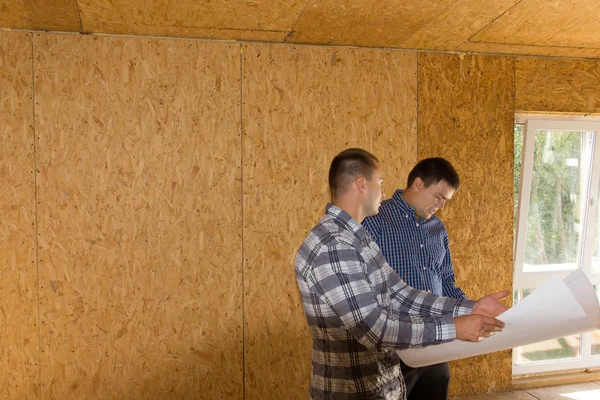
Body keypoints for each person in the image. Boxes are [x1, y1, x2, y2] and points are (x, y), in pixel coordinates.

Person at [295, 148, 508, 400]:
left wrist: (470, 309)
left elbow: (401, 295)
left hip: (380, 386)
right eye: (380, 182)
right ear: (362, 185)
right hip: (353, 392)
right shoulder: (334, 245)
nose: (384, 192)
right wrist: (454, 328)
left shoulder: (357, 238)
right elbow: (376, 329)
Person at [363, 157, 464, 400]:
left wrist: (471, 309)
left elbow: (447, 280)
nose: (440, 206)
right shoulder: (376, 221)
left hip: (435, 343)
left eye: (445, 201)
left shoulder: (437, 228)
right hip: (395, 347)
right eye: (438, 197)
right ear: (418, 184)